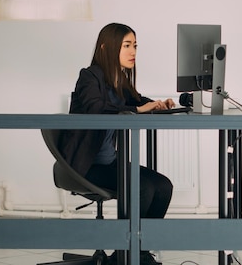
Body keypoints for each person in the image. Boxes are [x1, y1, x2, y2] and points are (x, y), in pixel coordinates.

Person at [59, 23, 175, 265]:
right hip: (86, 166)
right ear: (106, 47)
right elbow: (96, 108)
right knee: (143, 187)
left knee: (163, 186)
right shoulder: (89, 76)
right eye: (127, 46)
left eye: (135, 46)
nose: (133, 51)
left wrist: (157, 104)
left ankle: (140, 252)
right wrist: (136, 108)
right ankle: (123, 255)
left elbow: (137, 100)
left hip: (110, 163)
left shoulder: (119, 80)